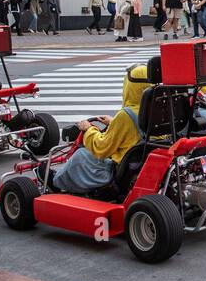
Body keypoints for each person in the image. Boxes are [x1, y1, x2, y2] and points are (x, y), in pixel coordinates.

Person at [50, 65, 152, 194]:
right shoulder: (158, 111)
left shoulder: (126, 115)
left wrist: (88, 130)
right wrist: (113, 122)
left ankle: (56, 182)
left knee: (81, 155)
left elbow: (102, 148)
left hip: (122, 171)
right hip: (142, 163)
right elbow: (138, 128)